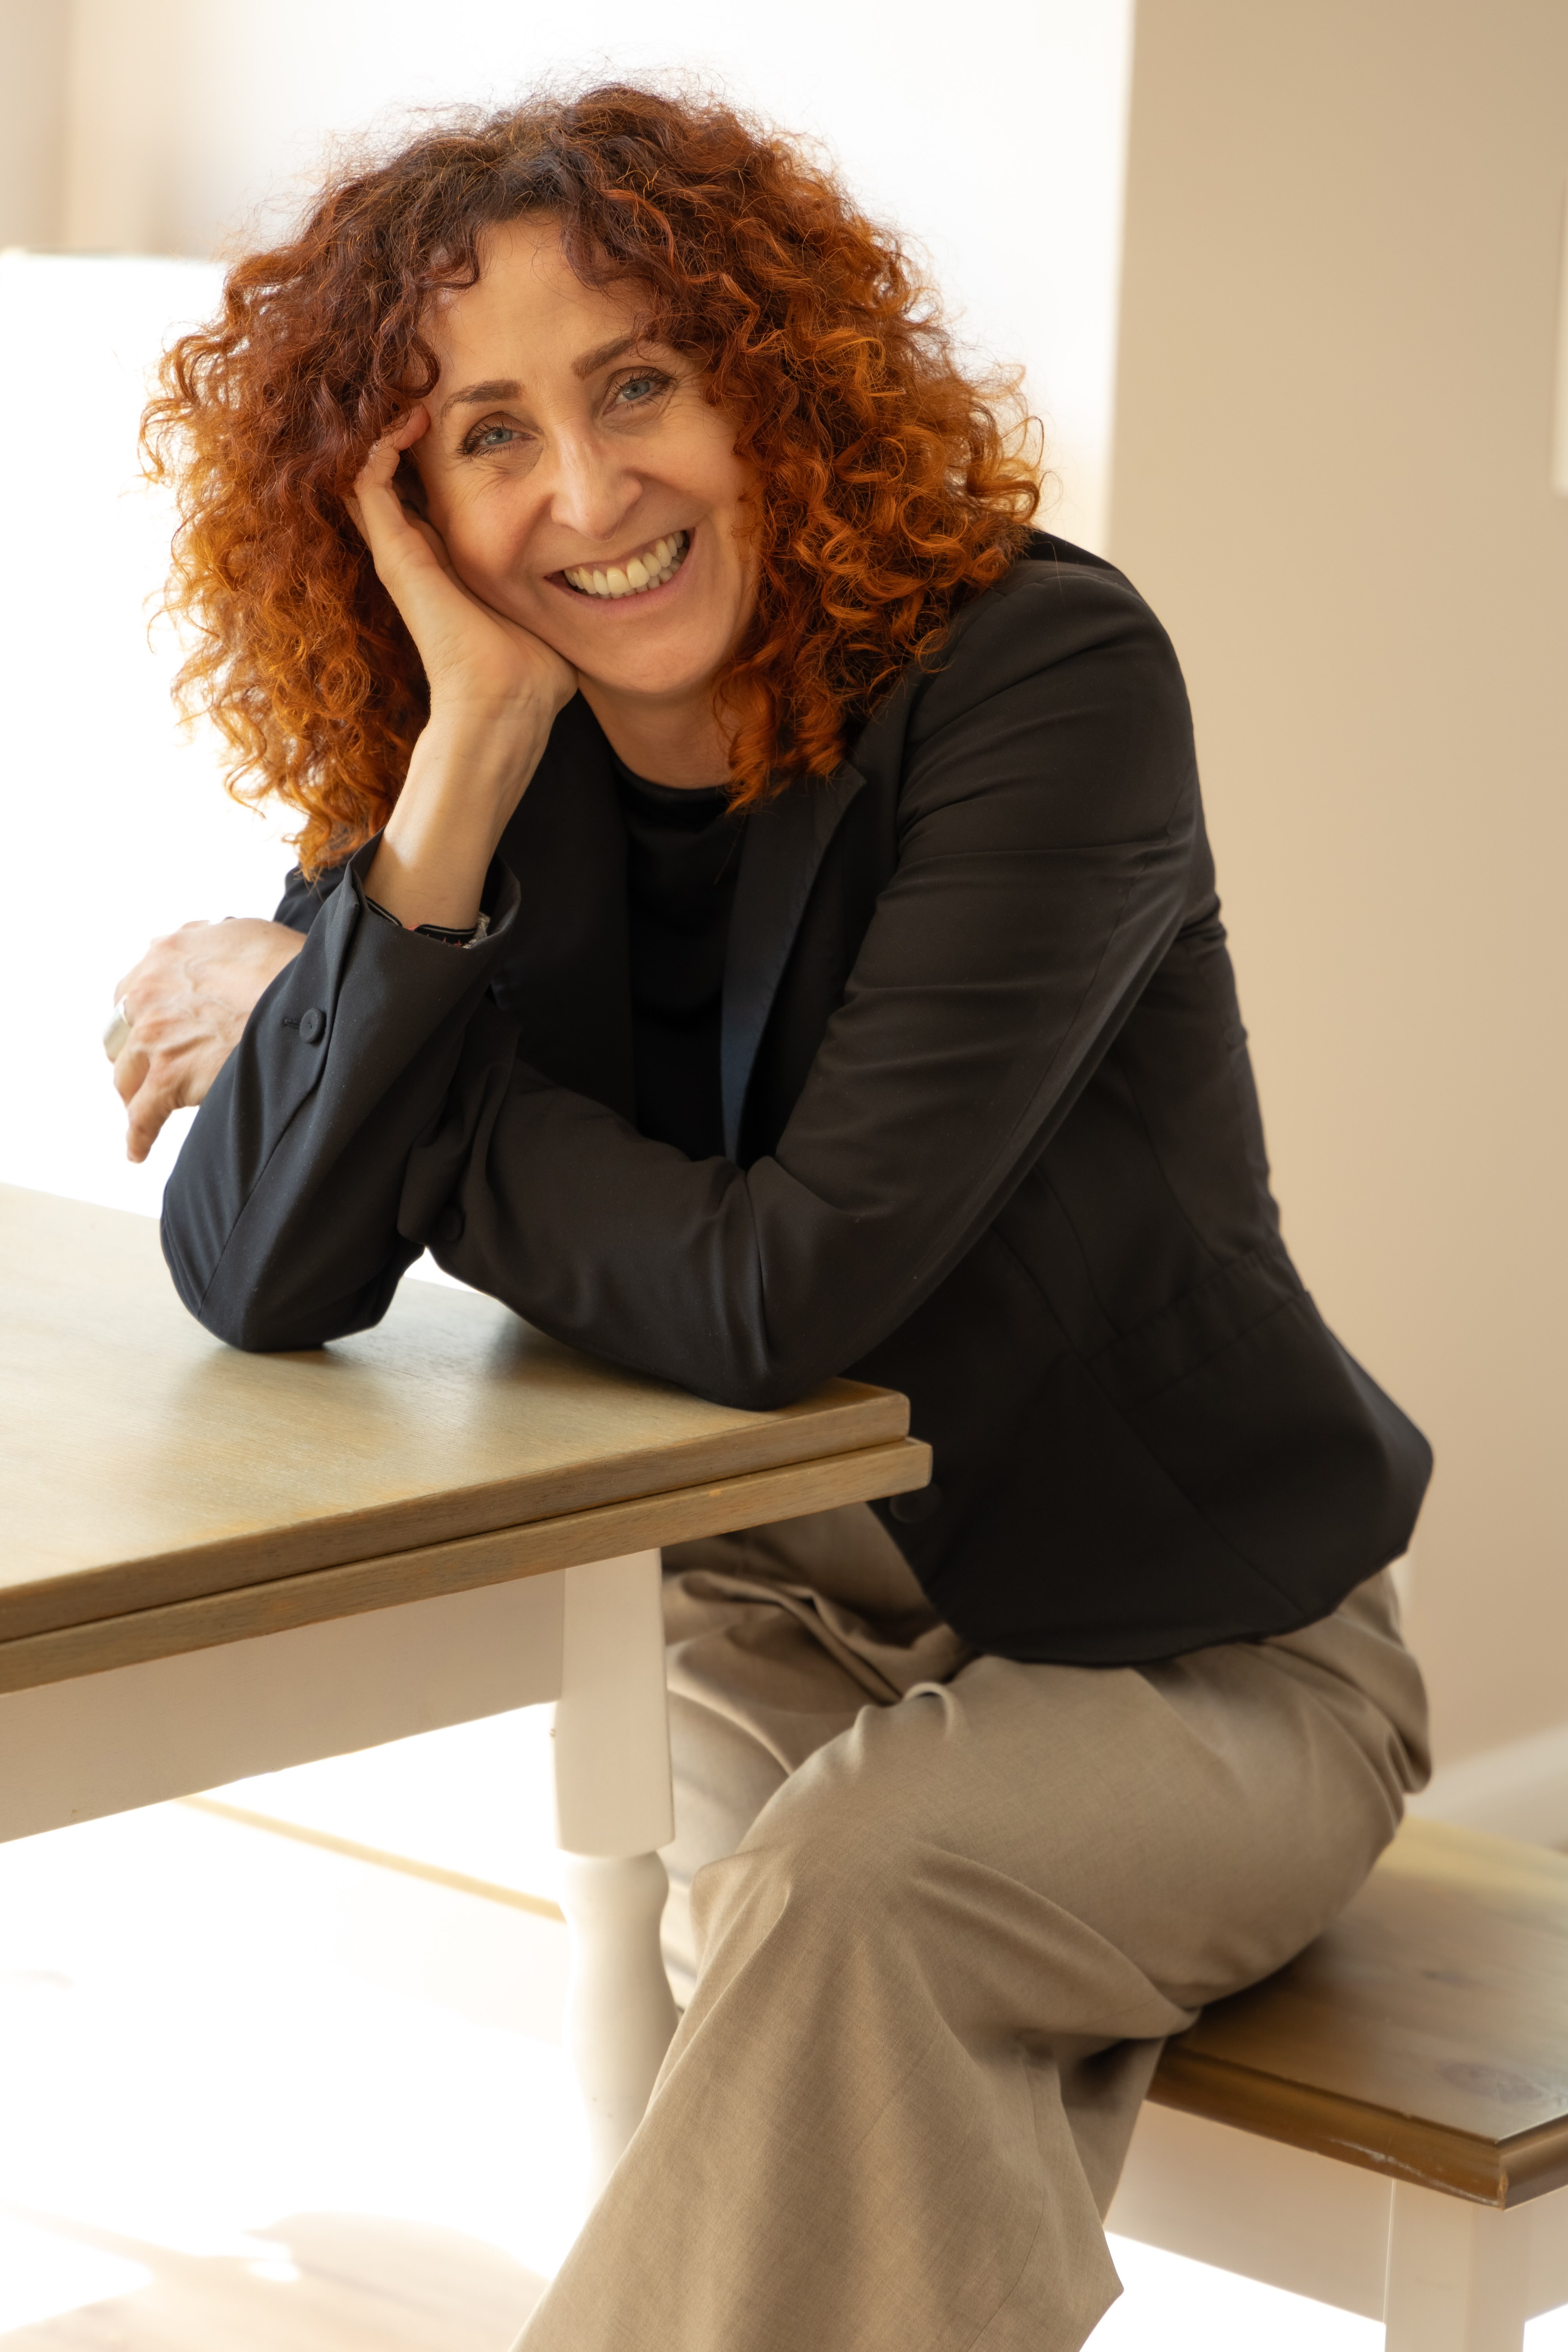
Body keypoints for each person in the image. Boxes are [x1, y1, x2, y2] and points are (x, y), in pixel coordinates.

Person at [114, 85, 1432, 2352]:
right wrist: (439, 799)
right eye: (487, 434)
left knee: (848, 1910)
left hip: (1207, 1665)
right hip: (749, 1623)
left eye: (638, 382)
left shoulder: (1045, 682)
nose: (592, 492)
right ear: (406, 507)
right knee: (853, 2049)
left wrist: (356, 1033)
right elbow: (258, 1270)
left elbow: (777, 1289)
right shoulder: (480, 769)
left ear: (766, 375)